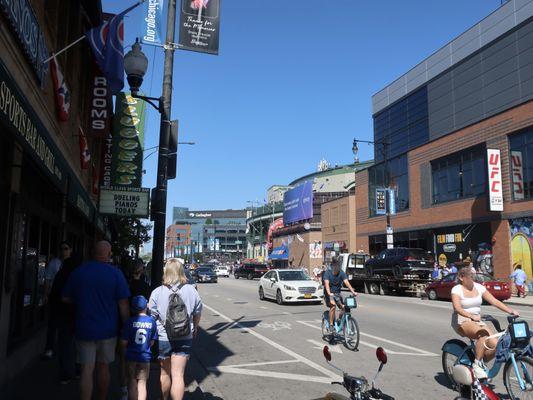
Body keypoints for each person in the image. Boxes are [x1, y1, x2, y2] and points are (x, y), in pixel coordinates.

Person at [62, 241, 131, 400]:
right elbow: (123, 304)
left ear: (93, 252)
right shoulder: (116, 274)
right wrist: (126, 327)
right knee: (103, 367)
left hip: (84, 328)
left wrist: (81, 300)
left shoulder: (79, 272)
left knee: (87, 369)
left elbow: (65, 297)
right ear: (109, 254)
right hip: (108, 330)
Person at [149, 258, 202, 400]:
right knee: (178, 375)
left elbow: (151, 316)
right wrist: (195, 327)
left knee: (164, 373)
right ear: (181, 271)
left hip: (163, 337)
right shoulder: (191, 290)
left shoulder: (157, 292)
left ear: (166, 271)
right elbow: (197, 312)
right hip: (185, 335)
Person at [451, 267, 519, 379]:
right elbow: (457, 308)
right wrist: (471, 316)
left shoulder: (479, 287)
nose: (474, 279)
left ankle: (481, 360)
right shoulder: (457, 289)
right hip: (462, 320)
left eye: (474, 277)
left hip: (477, 321)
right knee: (482, 334)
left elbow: (495, 301)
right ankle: (477, 365)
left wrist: (510, 311)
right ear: (461, 277)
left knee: (496, 345)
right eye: (471, 277)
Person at [48, 252, 81, 384]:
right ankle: (78, 370)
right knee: (79, 344)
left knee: (65, 345)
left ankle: (65, 374)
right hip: (78, 314)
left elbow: (54, 294)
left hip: (63, 314)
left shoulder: (61, 275)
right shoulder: (79, 276)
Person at [121, 296, 158, 400]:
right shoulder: (152, 321)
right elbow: (151, 342)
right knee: (142, 384)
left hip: (131, 356)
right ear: (146, 306)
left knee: (132, 381)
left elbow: (123, 342)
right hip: (145, 357)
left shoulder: (129, 322)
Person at [43, 241, 72, 359]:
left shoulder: (72, 265)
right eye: (62, 249)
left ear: (70, 250)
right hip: (55, 297)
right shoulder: (54, 263)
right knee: (52, 323)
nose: (63, 251)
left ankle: (63, 349)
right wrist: (45, 294)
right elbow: (48, 280)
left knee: (65, 325)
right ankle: (49, 348)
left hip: (68, 299)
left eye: (66, 248)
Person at [323, 259, 357, 334]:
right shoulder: (327, 273)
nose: (337, 268)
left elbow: (346, 282)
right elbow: (326, 284)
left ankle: (339, 319)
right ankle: (331, 325)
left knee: (344, 307)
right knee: (333, 306)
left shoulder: (341, 273)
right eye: (335, 267)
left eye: (338, 266)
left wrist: (353, 292)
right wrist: (329, 293)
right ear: (332, 267)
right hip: (329, 294)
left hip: (337, 294)